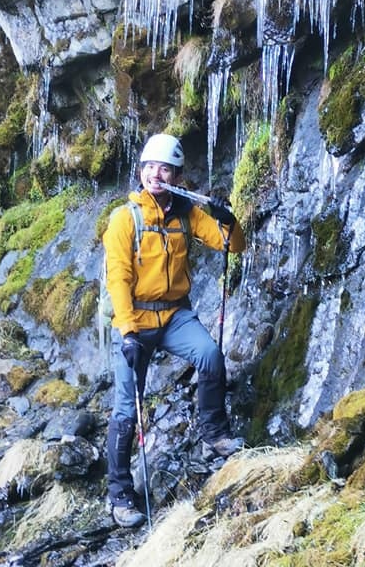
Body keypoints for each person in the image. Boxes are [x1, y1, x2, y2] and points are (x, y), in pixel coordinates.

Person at [103, 132, 246, 528]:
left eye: (164, 167)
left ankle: (214, 434)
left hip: (174, 315)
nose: (155, 173)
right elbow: (117, 277)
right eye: (149, 166)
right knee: (126, 406)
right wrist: (128, 331)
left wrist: (227, 220)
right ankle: (119, 496)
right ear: (141, 171)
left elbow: (232, 247)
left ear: (176, 176)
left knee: (210, 354)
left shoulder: (186, 213)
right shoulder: (124, 219)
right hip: (136, 319)